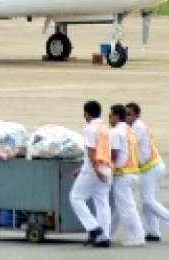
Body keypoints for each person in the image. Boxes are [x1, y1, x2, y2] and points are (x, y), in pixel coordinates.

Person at [126, 101, 169, 242]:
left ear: (137, 115)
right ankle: (153, 233)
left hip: (150, 167)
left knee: (147, 200)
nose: (127, 117)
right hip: (152, 167)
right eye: (125, 114)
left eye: (129, 114)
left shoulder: (137, 127)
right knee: (147, 203)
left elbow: (135, 150)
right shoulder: (134, 126)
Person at [69, 100, 112, 248]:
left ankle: (94, 228)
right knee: (102, 202)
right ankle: (104, 236)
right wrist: (83, 168)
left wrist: (94, 170)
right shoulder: (105, 128)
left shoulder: (90, 128)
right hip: (106, 167)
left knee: (76, 197)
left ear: (87, 114)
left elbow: (91, 152)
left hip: (95, 169)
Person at [108, 103, 146, 247]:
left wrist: (110, 168)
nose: (109, 119)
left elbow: (115, 154)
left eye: (110, 116)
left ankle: (136, 236)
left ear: (117, 116)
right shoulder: (130, 131)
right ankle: (107, 232)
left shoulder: (116, 132)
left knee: (126, 207)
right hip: (133, 172)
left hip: (123, 174)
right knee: (121, 207)